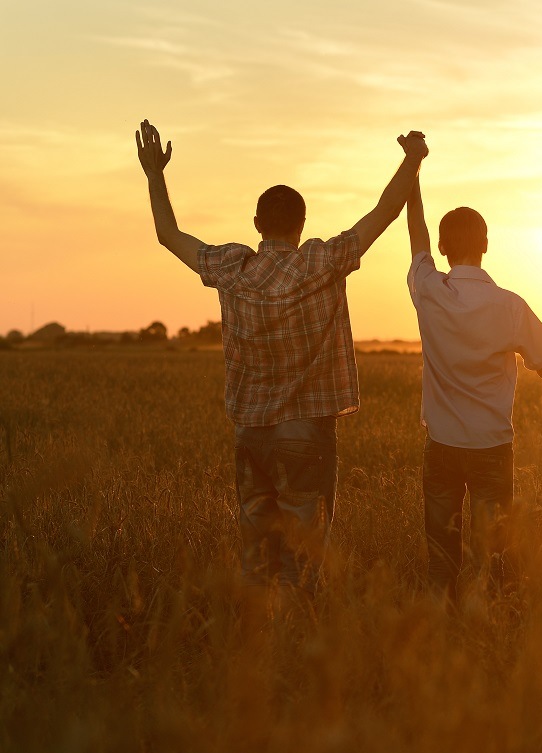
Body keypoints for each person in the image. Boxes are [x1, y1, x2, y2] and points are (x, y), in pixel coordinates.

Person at [135, 119, 428, 602]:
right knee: (302, 565)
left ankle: (256, 653)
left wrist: (154, 174)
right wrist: (412, 159)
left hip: (250, 433)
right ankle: (292, 654)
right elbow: (385, 211)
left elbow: (169, 234)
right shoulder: (320, 262)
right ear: (301, 224)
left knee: (256, 560)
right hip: (307, 434)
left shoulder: (233, 267)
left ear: (256, 225)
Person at [405, 140, 542, 599]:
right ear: (486, 245)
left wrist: (412, 169)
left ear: (441, 248)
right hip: (492, 447)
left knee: (442, 551)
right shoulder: (510, 306)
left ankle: (444, 621)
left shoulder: (429, 290)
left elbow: (414, 226)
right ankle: (495, 626)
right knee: (497, 552)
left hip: (440, 444)